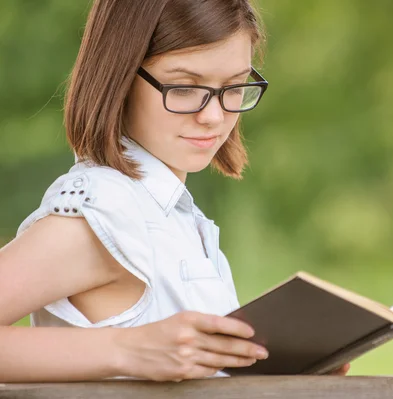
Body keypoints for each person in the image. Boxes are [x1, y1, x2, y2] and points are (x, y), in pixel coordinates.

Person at [0, 0, 350, 382]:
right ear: (119, 78)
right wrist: (127, 350)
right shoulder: (105, 213)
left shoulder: (175, 217)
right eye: (184, 87)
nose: (214, 116)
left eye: (234, 87)